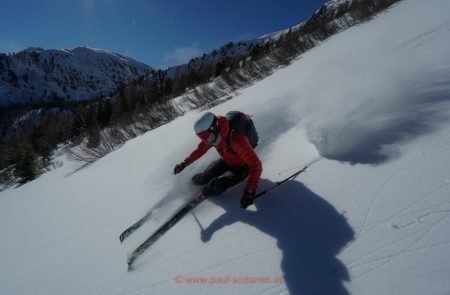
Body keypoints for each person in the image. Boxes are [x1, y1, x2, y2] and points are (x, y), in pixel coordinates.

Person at [174, 112, 262, 208]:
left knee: (217, 185)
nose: (203, 139)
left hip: (242, 168)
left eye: (204, 135)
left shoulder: (236, 139)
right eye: (200, 136)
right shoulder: (211, 137)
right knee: (203, 178)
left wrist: (249, 191)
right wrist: (185, 163)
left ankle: (205, 192)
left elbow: (256, 165)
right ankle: (194, 184)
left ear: (213, 128)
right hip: (226, 161)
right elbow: (200, 150)